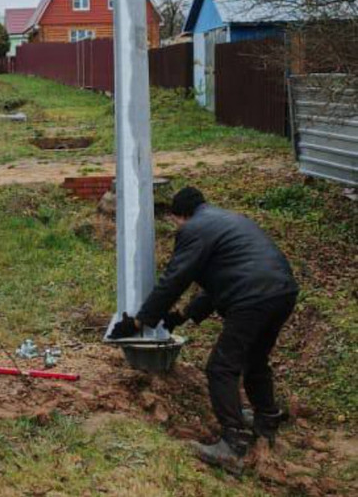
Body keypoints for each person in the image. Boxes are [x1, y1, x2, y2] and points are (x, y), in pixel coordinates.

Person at [110, 186, 298, 475]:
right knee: (255, 359)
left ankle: (234, 444)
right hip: (282, 291)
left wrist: (140, 321)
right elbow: (223, 278)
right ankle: (266, 421)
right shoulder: (226, 221)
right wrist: (182, 315)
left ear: (180, 217)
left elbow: (175, 279)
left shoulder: (193, 229)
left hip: (252, 297)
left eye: (175, 222)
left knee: (221, 368)